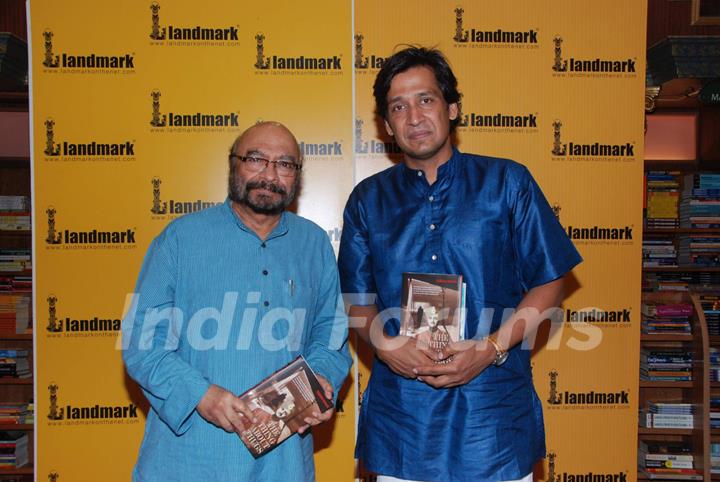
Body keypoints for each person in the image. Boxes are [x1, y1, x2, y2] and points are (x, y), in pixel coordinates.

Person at [338, 47, 582, 482]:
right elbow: (356, 301)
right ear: (386, 124)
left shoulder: (509, 183)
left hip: (493, 420)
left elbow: (550, 282)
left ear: (452, 108)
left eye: (425, 100)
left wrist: (490, 349)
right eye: (398, 106)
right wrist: (387, 346)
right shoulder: (367, 200)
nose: (413, 117)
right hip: (402, 422)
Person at [123, 121, 352, 481]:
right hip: (191, 458)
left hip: (284, 463)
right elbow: (142, 345)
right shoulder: (180, 240)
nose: (270, 174)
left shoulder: (314, 244)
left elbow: (330, 334)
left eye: (285, 164)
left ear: (297, 176)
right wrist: (201, 395)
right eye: (256, 159)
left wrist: (320, 380)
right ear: (234, 164)